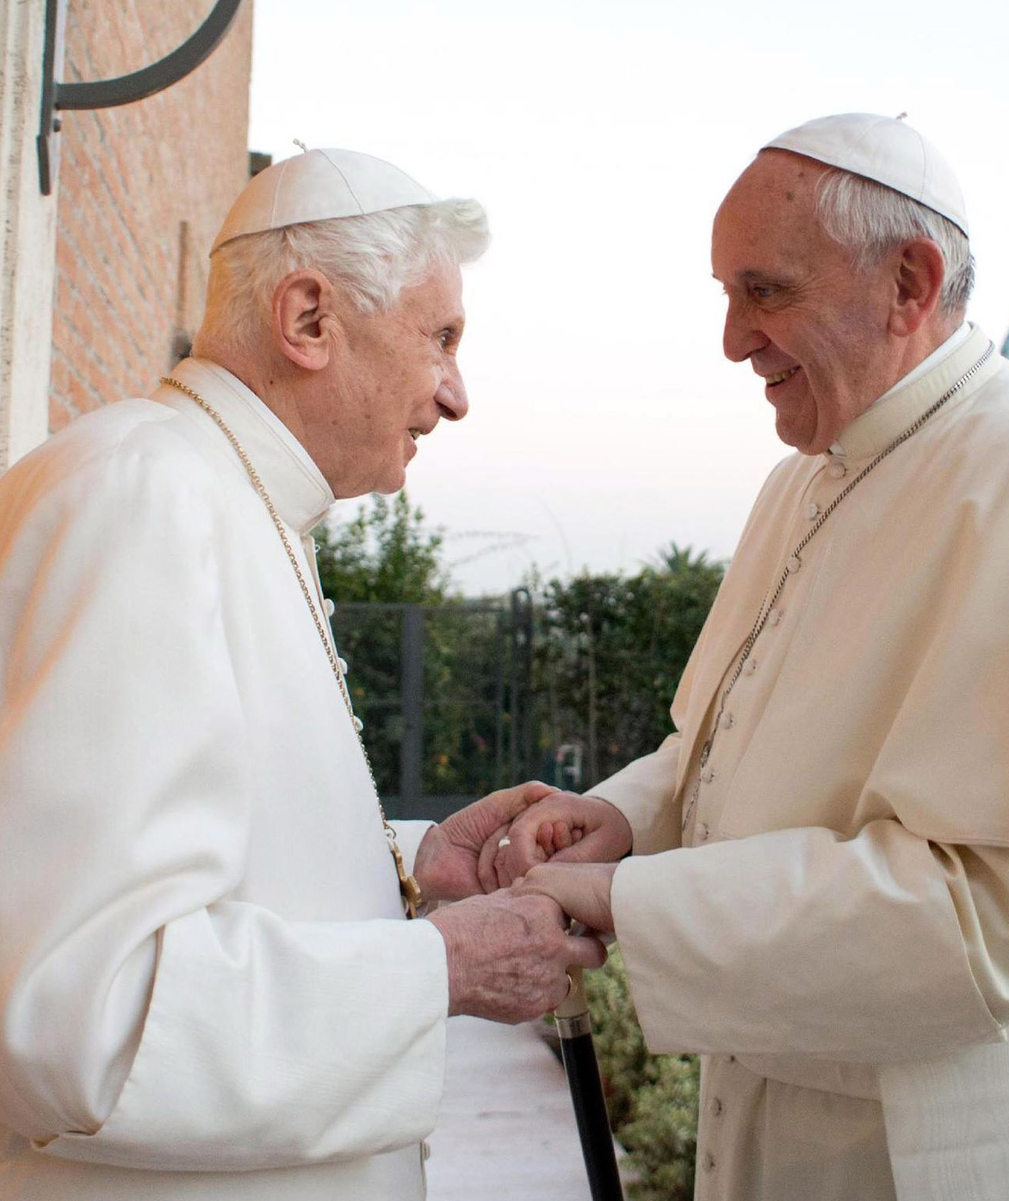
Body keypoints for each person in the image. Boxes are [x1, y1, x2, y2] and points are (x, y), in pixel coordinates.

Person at [491, 113, 1009, 1199]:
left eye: (765, 292)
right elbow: (732, 742)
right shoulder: (808, 476)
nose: (732, 339)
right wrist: (631, 819)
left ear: (909, 284)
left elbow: (991, 923)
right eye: (726, 294)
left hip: (979, 1134)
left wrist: (633, 902)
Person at [0, 148, 603, 1201]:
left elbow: (220, 874)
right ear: (310, 318)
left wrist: (414, 882)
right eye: (442, 339)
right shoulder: (145, 497)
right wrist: (444, 967)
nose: (456, 395)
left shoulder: (224, 500)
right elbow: (76, 1015)